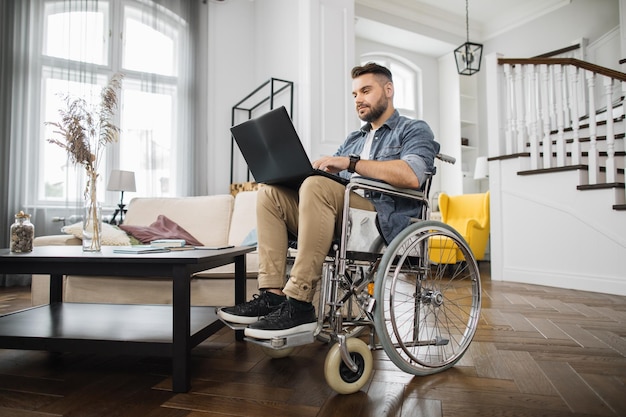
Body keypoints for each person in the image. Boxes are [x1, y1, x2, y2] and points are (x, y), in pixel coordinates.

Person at [218, 62, 440, 339]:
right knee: (270, 193)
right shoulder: (353, 139)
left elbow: (412, 176)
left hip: (382, 217)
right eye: (355, 94)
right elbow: (330, 184)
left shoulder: (414, 129)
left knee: (316, 185)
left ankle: (299, 303)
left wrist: (350, 163)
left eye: (366, 90)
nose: (358, 99)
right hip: (343, 215)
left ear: (389, 89)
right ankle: (273, 296)